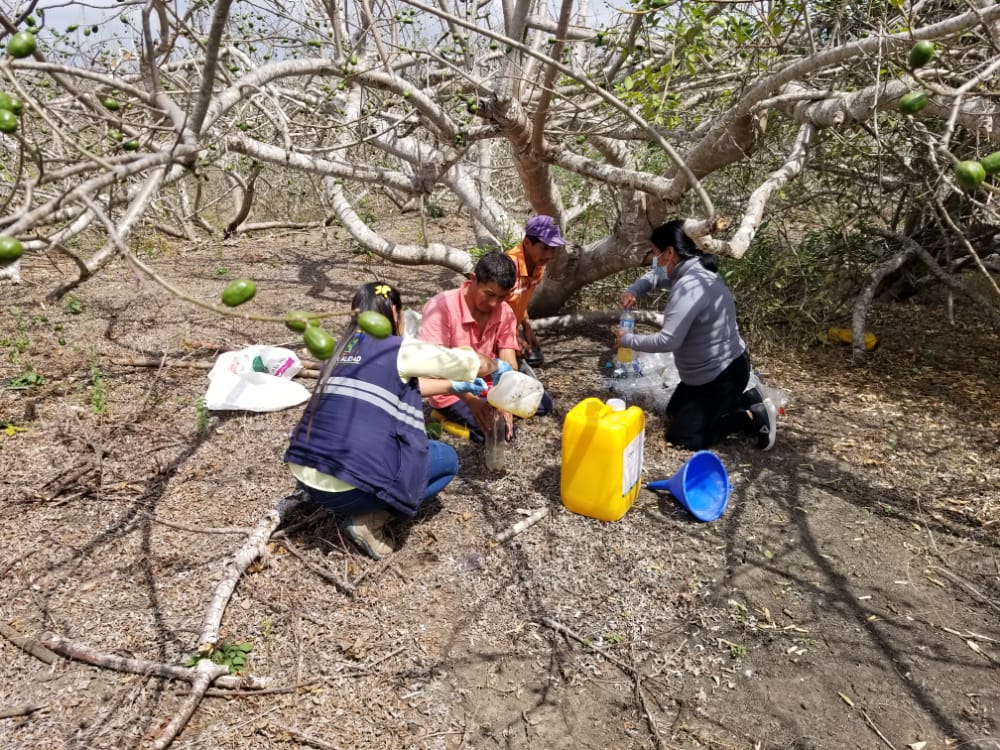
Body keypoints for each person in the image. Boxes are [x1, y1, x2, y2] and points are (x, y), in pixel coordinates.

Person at [284, 281, 509, 559]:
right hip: (348, 489)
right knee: (446, 460)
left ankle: (349, 502)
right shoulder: (396, 348)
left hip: (306, 477)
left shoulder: (339, 348)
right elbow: (472, 363)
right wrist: (498, 366)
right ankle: (371, 517)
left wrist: (452, 386)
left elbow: (398, 384)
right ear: (394, 312)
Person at [616, 220, 777, 451]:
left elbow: (668, 340)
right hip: (708, 375)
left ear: (669, 253)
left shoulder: (689, 287)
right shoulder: (694, 269)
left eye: (655, 253)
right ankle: (745, 399)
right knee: (673, 411)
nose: (654, 260)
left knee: (682, 437)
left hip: (722, 376)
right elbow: (655, 277)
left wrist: (627, 340)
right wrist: (634, 290)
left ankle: (748, 416)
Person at [420, 251, 553, 443]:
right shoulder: (441, 308)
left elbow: (509, 362)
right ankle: (444, 416)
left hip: (489, 385)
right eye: (489, 294)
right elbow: (437, 368)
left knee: (543, 403)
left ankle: (483, 414)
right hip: (452, 390)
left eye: (502, 297)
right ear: (473, 279)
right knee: (497, 431)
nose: (493, 303)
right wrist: (472, 402)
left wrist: (505, 401)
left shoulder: (504, 311)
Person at [505, 215, 566, 368]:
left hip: (510, 329)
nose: (549, 255)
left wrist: (527, 327)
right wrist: (511, 338)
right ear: (527, 242)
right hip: (493, 331)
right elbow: (492, 310)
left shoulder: (538, 266)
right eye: (544, 248)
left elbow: (522, 299)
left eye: (553, 249)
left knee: (535, 359)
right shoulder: (509, 268)